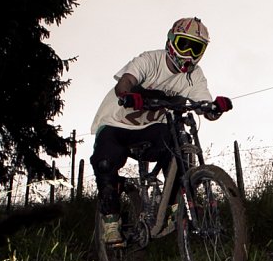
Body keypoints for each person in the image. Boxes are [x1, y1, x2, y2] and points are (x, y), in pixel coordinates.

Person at [90, 17, 232, 246]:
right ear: (171, 41)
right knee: (106, 164)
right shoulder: (150, 60)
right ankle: (111, 221)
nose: (188, 54)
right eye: (184, 44)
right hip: (116, 125)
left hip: (150, 129)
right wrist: (128, 94)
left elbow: (204, 107)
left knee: (177, 141)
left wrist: (215, 107)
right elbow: (125, 82)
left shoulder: (194, 75)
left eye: (196, 48)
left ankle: (173, 207)